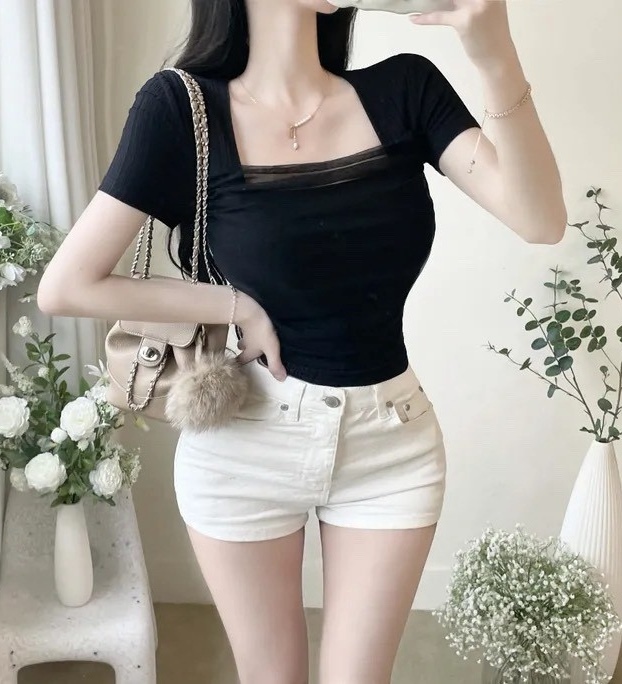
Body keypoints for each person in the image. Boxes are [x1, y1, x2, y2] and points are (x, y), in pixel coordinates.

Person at [38, 0, 567, 682]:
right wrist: (233, 306)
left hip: (390, 443)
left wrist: (493, 52)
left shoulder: (405, 89)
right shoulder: (180, 108)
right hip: (242, 441)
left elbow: (540, 218)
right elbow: (67, 285)